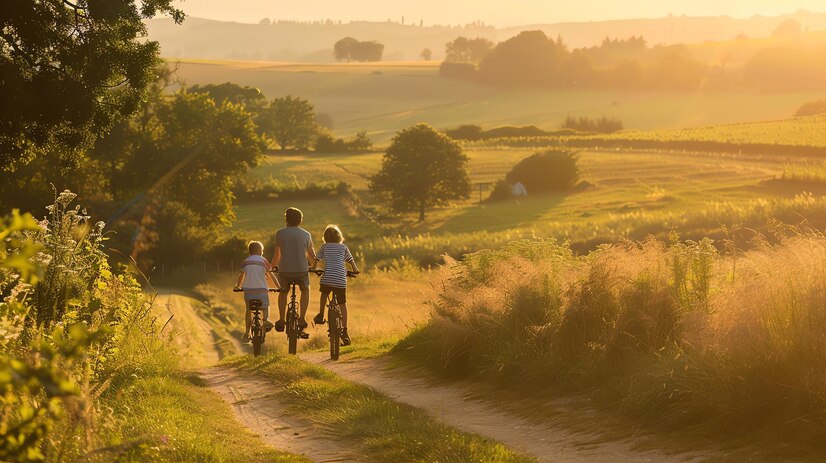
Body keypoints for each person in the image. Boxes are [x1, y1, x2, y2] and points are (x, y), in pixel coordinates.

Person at [312, 224, 360, 346]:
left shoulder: (324, 247)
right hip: (340, 280)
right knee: (342, 304)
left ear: (325, 237)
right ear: (339, 237)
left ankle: (321, 315)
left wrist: (313, 269)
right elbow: (350, 260)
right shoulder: (343, 247)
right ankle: (344, 331)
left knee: (324, 294)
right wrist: (355, 270)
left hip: (328, 278)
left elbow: (316, 260)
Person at [272, 207, 317, 334]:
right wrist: (313, 268)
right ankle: (302, 318)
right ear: (300, 220)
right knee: (305, 290)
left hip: (285, 271)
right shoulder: (306, 234)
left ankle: (281, 319)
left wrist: (272, 267)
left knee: (283, 292)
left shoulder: (280, 233)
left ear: (286, 219)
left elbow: (277, 255)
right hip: (301, 271)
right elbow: (311, 255)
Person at [234, 240, 279, 343]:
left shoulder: (246, 261)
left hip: (248, 292)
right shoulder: (264, 261)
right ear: (260, 251)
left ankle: (247, 333)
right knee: (265, 307)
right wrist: (278, 287)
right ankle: (265, 320)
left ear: (250, 251)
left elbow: (242, 275)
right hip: (261, 291)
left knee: (248, 311)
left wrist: (238, 286)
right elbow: (271, 275)